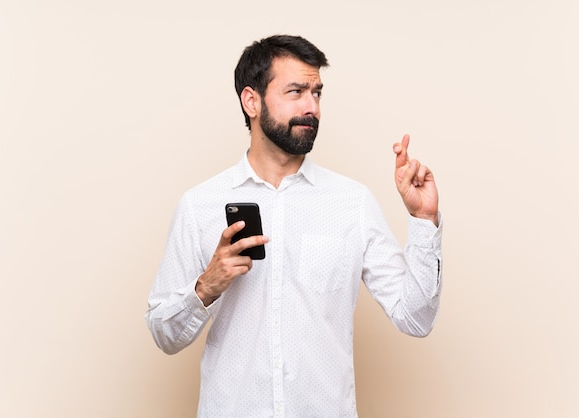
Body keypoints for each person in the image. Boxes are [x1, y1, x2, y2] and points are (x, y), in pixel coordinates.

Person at [145, 34, 443, 417]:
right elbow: (162, 333)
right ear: (251, 101)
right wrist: (205, 288)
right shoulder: (200, 205)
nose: (312, 107)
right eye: (296, 92)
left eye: (317, 93)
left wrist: (424, 221)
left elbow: (415, 317)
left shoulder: (352, 202)